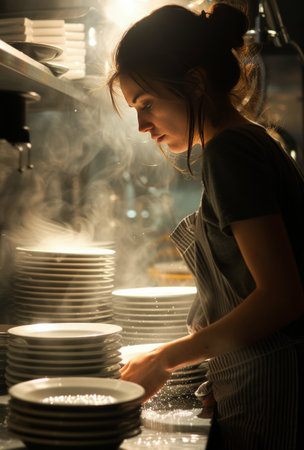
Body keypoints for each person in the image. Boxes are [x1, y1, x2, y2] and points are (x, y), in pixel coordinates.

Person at [107, 2, 304, 449]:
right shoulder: (248, 141)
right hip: (260, 382)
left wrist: (163, 359)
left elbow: (282, 298)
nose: (141, 125)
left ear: (195, 82)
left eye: (147, 103)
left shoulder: (230, 153)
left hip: (277, 392)